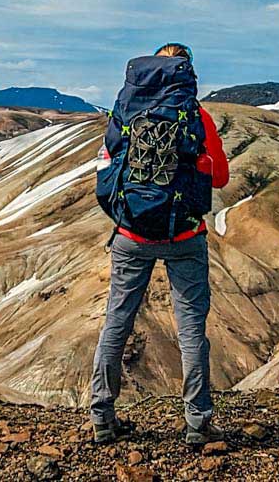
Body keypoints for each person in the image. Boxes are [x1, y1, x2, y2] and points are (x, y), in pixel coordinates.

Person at [90, 42, 229, 446]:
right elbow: (219, 178)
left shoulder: (127, 112)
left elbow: (107, 167)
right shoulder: (198, 117)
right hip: (185, 236)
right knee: (190, 331)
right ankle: (197, 424)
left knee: (117, 322)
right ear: (187, 71)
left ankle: (102, 417)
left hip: (131, 236)